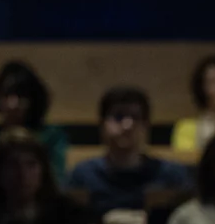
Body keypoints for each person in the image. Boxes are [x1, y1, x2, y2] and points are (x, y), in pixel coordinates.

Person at [64, 86, 191, 217]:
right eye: (118, 117)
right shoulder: (83, 176)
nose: (127, 125)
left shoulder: (171, 175)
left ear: (146, 126)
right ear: (102, 125)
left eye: (136, 117)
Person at [0, 60, 67, 181]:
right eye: (6, 96)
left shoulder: (51, 136)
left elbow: (57, 179)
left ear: (33, 99)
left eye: (20, 96)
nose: (13, 104)